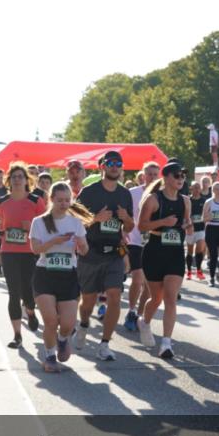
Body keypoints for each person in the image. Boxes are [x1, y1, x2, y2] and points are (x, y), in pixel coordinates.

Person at [73, 151, 134, 361]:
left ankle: (105, 344)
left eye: (118, 163)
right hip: (91, 252)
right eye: (110, 163)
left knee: (115, 296)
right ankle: (83, 325)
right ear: (103, 166)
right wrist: (95, 219)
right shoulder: (89, 192)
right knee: (88, 302)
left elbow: (130, 227)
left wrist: (126, 219)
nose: (115, 167)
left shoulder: (124, 194)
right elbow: (75, 222)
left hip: (114, 253)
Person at [29, 182, 92, 373]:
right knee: (50, 321)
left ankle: (63, 339)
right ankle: (49, 357)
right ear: (51, 199)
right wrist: (54, 241)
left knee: (67, 324)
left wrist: (82, 244)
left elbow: (85, 251)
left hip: (68, 276)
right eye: (59, 200)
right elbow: (35, 249)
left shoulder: (75, 223)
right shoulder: (39, 222)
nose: (64, 204)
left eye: (67, 200)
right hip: (45, 275)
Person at [137, 159, 192, 359]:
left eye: (183, 176)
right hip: (155, 251)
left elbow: (187, 224)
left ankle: (166, 343)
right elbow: (141, 226)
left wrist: (188, 226)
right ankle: (144, 322)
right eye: (177, 175)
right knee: (156, 298)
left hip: (175, 252)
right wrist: (164, 222)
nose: (181, 179)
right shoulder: (153, 199)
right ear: (166, 178)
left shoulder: (185, 201)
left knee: (170, 297)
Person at [0, 163, 46, 349]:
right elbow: (2, 224)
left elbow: (45, 226)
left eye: (20, 176)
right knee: (13, 293)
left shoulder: (35, 201)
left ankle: (30, 311)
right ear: (9, 180)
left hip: (29, 252)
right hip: (8, 252)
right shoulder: (2, 201)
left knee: (28, 291)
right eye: (14, 177)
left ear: (26, 180)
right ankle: (17, 335)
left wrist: (31, 227)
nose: (17, 180)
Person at [124, 160, 160, 333]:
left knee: (149, 285)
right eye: (149, 174)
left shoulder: (161, 194)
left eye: (155, 174)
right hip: (135, 241)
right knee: (138, 279)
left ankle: (139, 314)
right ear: (143, 175)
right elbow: (125, 215)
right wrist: (123, 233)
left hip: (154, 243)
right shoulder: (133, 193)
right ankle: (131, 311)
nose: (152, 177)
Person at [185, 180, 208, 281]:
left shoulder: (204, 201)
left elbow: (207, 213)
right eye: (195, 187)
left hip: (201, 229)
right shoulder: (188, 200)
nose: (197, 189)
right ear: (191, 189)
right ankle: (189, 271)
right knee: (190, 251)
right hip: (190, 229)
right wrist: (188, 224)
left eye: (198, 187)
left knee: (199, 248)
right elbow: (184, 214)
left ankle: (199, 270)